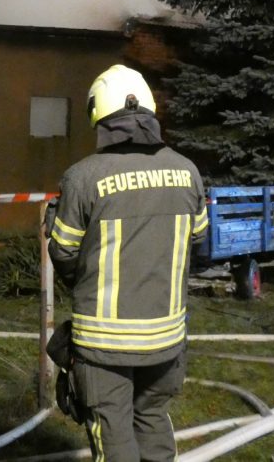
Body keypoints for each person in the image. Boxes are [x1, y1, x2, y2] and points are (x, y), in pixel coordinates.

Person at [47, 64, 208, 462]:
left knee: (113, 435)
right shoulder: (187, 171)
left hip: (105, 345)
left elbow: (63, 251)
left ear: (99, 115)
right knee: (153, 420)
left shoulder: (83, 178)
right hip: (166, 338)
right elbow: (198, 241)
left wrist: (86, 279)